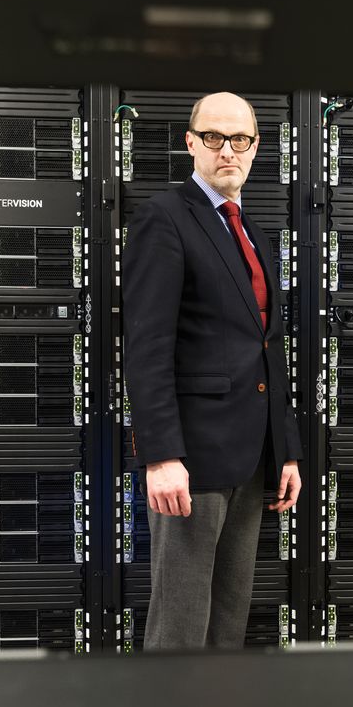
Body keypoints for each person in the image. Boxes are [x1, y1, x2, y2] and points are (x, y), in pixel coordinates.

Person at [122, 91, 303, 650]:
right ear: (191, 143)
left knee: (228, 622)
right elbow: (147, 345)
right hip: (192, 462)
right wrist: (160, 456)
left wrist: (287, 448)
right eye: (214, 138)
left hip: (251, 460)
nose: (228, 150)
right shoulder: (165, 219)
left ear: (256, 147)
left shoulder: (251, 231)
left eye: (240, 139)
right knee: (180, 626)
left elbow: (267, 345)